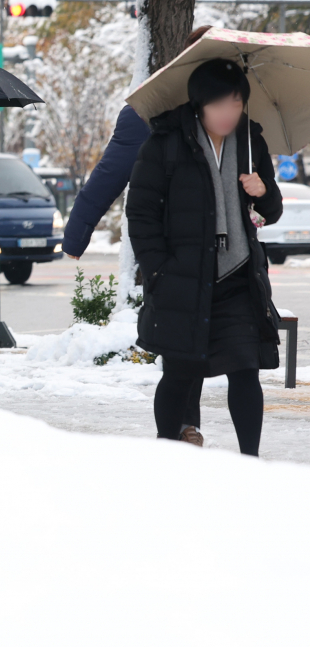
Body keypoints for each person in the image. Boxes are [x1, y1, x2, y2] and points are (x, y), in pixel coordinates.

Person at [127, 58, 283, 457]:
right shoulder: (167, 142)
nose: (228, 113)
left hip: (238, 277)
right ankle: (167, 452)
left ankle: (251, 460)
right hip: (183, 276)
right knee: (180, 372)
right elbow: (140, 213)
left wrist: (261, 190)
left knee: (245, 369)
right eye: (219, 104)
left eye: (236, 103)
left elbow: (273, 210)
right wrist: (159, 269)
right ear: (199, 103)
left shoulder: (251, 142)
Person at [66, 25, 212, 444]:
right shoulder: (147, 110)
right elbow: (108, 176)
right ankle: (183, 427)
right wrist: (77, 237)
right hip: (167, 252)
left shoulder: (228, 114)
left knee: (200, 344)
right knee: (181, 344)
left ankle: (188, 425)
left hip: (215, 252)